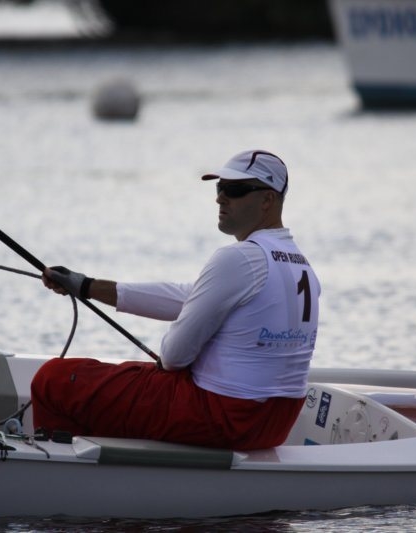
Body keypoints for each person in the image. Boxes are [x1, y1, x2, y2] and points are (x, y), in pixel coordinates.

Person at [32, 149, 320, 450]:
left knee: (54, 380)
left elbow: (172, 357)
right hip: (274, 424)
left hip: (226, 417)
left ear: (267, 200)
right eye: (220, 188)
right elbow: (188, 297)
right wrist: (87, 286)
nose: (220, 199)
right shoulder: (300, 265)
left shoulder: (239, 258)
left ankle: (59, 466)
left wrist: (175, 354)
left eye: (235, 190)